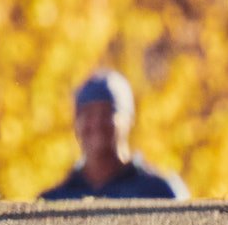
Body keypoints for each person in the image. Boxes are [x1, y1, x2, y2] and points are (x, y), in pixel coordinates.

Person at [40, 68, 187, 201]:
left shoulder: (159, 192)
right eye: (88, 114)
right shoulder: (56, 199)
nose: (97, 122)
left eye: (107, 112)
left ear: (129, 119)